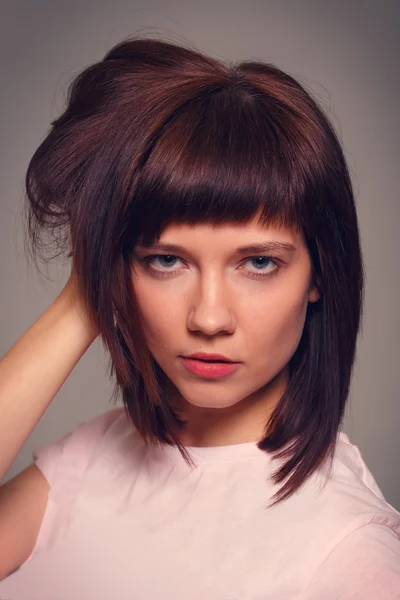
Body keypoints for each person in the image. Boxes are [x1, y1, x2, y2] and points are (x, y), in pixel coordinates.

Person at [0, 36, 399, 599]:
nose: (209, 318)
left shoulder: (351, 552)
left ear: (319, 274)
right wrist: (85, 290)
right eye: (166, 260)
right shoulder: (93, 456)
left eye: (258, 263)